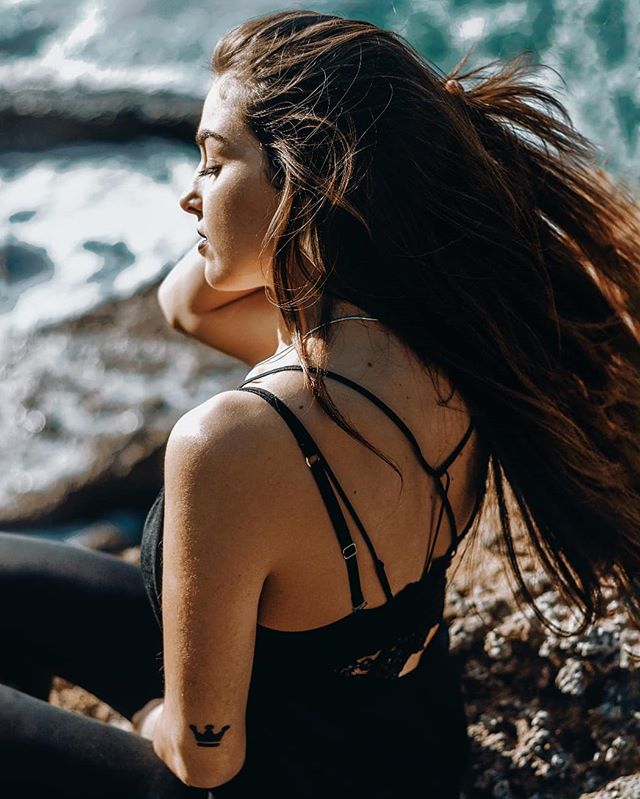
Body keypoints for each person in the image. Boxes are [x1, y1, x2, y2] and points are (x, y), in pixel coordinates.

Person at [1, 8, 639, 799]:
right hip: (411, 748)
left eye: (211, 162)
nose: (187, 199)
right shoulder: (456, 337)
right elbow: (187, 306)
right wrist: (288, 211)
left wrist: (147, 713)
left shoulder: (232, 441)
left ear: (304, 178)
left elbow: (206, 757)